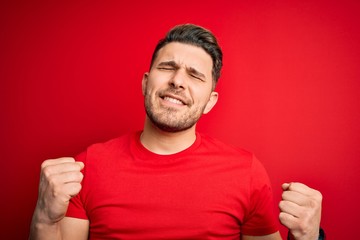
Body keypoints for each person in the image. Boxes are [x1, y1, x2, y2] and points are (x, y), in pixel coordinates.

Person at [30, 24, 323, 240]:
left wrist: (309, 238)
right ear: (146, 84)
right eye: (168, 67)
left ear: (210, 101)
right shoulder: (88, 166)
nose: (178, 81)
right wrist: (43, 220)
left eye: (195, 75)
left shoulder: (246, 171)